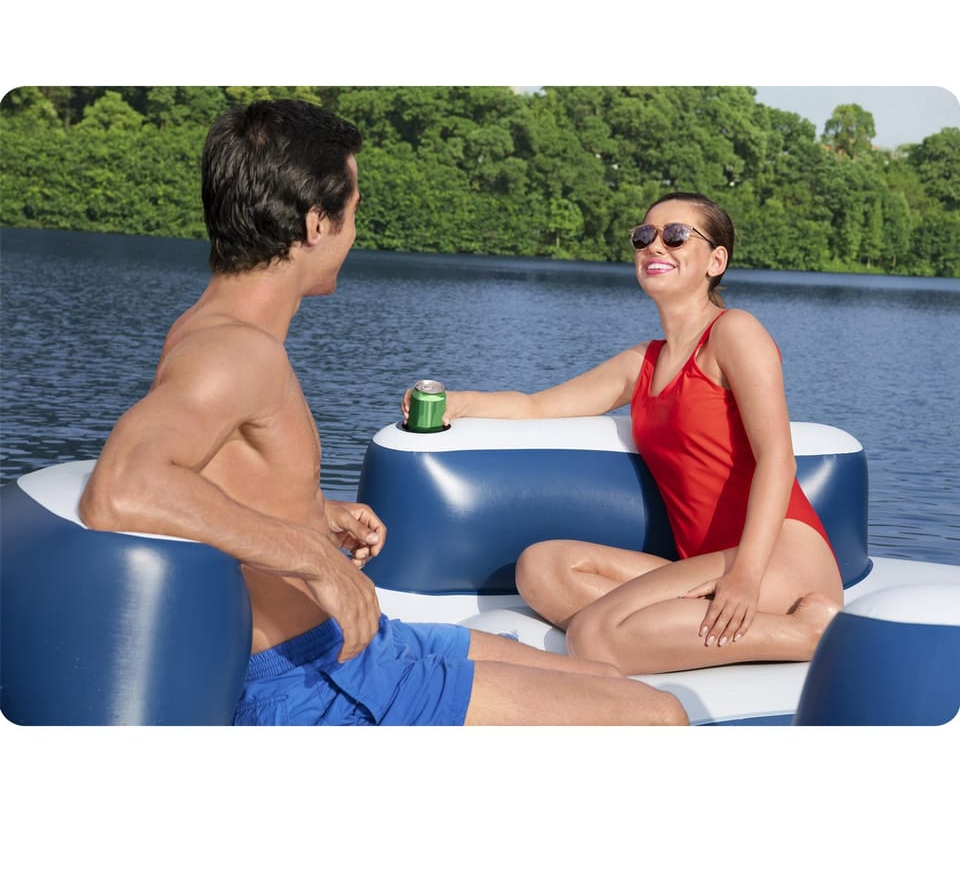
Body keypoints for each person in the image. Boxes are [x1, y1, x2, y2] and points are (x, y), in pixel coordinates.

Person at [78, 99, 687, 726]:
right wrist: (314, 557)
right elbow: (125, 485)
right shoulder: (232, 351)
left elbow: (216, 476)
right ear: (316, 224)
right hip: (313, 683)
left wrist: (313, 513)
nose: (354, 232)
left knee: (605, 677)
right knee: (659, 717)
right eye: (354, 210)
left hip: (348, 648)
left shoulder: (213, 330)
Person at [402, 192, 844, 676]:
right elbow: (537, 406)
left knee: (593, 636)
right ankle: (662, 632)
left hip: (778, 558)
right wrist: (458, 402)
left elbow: (778, 457)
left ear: (716, 261)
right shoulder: (642, 363)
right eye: (644, 236)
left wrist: (746, 576)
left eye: (676, 236)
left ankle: (810, 632)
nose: (655, 246)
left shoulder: (734, 332)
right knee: (541, 568)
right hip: (704, 561)